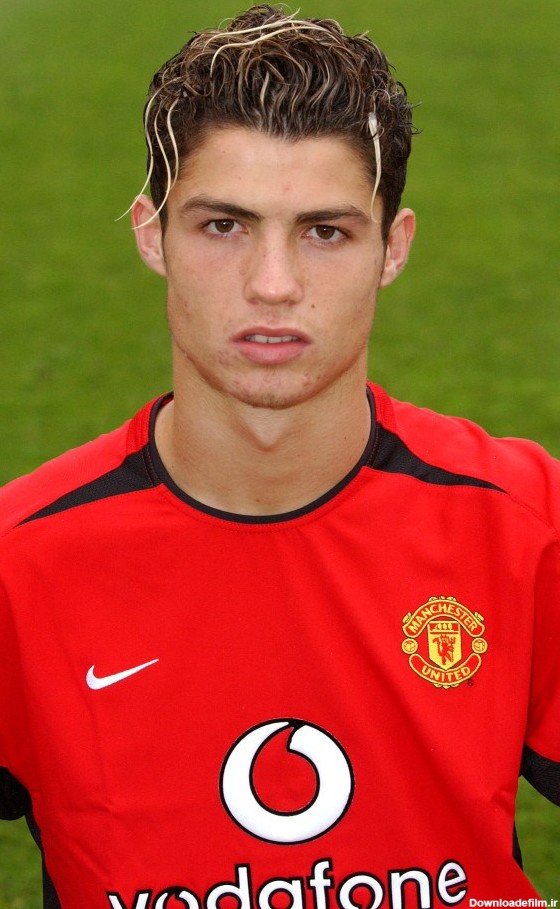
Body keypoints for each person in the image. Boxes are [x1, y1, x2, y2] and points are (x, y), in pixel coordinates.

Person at [1, 5, 558, 907]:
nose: (273, 284)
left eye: (325, 231)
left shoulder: (526, 523)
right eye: (223, 226)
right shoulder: (21, 562)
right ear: (150, 234)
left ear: (393, 248)